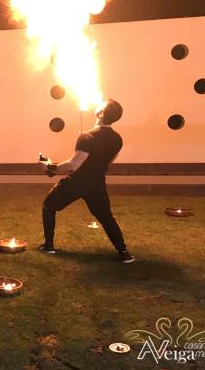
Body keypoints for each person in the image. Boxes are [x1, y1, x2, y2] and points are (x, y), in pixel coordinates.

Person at [38, 99, 135, 263]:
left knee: (49, 205)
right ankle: (124, 252)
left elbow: (73, 165)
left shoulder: (87, 137)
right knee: (106, 217)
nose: (98, 104)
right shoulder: (117, 139)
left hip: (77, 182)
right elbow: (108, 160)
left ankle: (49, 245)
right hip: (97, 183)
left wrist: (49, 167)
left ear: (101, 113)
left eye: (102, 104)